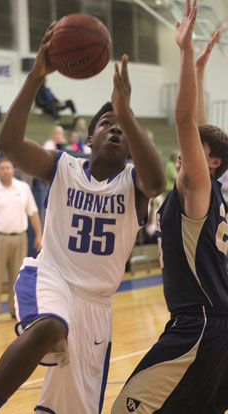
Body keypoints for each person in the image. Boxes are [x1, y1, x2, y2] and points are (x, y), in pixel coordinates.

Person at [0, 21, 166, 414]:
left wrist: (125, 112)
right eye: (107, 124)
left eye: (122, 127)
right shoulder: (62, 167)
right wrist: (36, 76)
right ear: (89, 139)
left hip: (97, 308)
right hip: (52, 276)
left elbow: (156, 181)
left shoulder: (135, 183)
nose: (115, 130)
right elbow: (9, 144)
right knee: (50, 326)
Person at [112, 2, 228, 413]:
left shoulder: (199, 185)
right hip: (215, 323)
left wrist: (181, 54)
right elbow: (195, 127)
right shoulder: (209, 190)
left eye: (198, 150)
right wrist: (198, 68)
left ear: (211, 162)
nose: (185, 151)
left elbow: (183, 121)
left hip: (197, 323)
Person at [0, 158, 42, 324]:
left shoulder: (23, 188)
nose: (5, 171)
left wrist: (39, 235)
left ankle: (15, 311)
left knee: (18, 277)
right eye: (2, 168)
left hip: (20, 237)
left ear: (13, 170)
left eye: (8, 168)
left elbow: (33, 213)